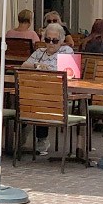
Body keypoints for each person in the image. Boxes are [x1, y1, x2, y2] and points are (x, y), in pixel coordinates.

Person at [22, 22, 75, 155]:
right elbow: (23, 66)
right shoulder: (40, 52)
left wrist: (49, 69)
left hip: (57, 93)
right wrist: (36, 65)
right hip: (37, 91)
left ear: (61, 40)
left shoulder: (67, 51)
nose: (51, 43)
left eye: (55, 40)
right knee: (21, 99)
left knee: (41, 101)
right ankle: (18, 136)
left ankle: (41, 138)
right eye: (47, 40)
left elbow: (70, 73)